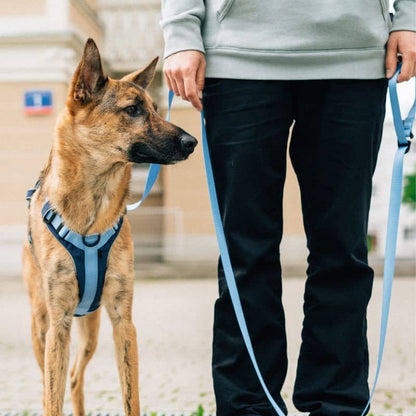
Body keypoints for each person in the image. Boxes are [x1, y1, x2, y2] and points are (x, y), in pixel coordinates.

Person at [160, 1, 416, 415]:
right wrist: (181, 33)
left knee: (343, 250)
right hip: (238, 58)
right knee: (244, 252)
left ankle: (336, 404)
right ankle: (248, 407)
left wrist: (408, 17)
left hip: (352, 58)